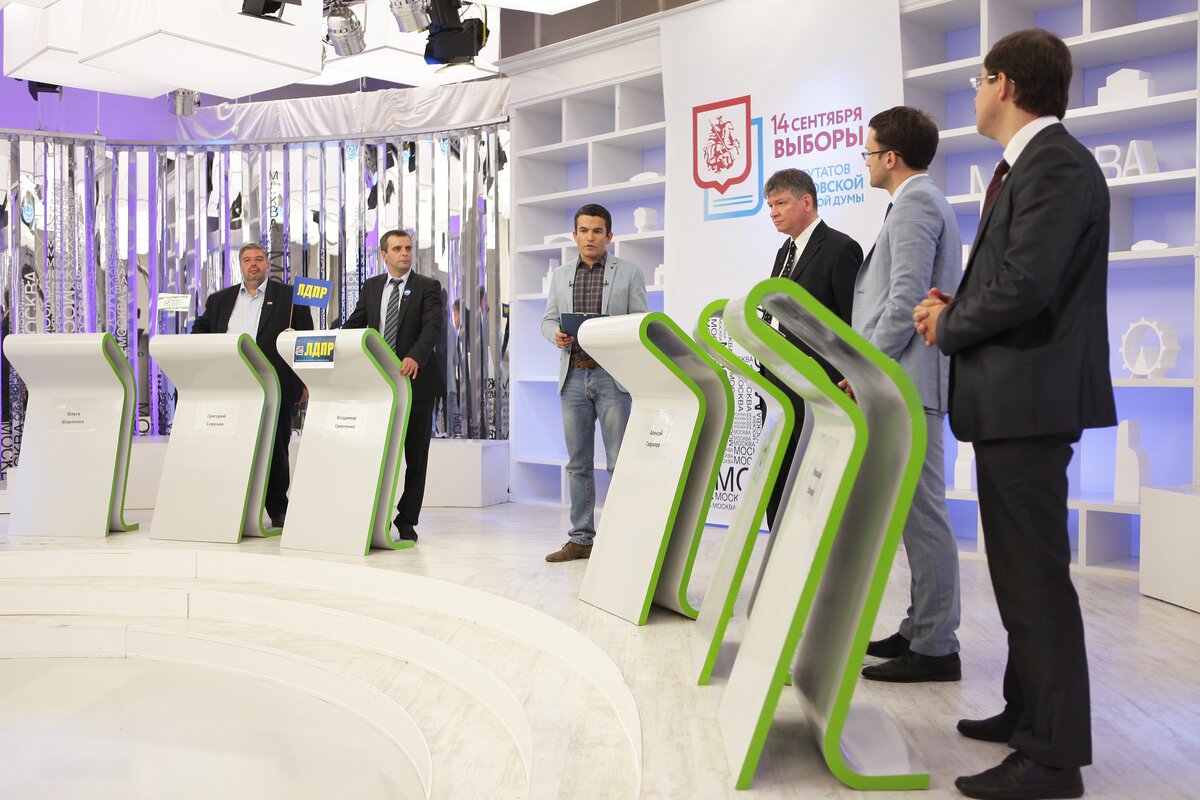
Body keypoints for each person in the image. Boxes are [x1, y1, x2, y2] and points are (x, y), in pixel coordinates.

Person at [913, 28, 1114, 800]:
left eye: (978, 79)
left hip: (1028, 404)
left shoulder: (1054, 163)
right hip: (1014, 402)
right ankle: (1027, 710)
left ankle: (1053, 759)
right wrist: (957, 303)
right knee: (1020, 575)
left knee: (1034, 584)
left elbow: (1028, 286)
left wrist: (948, 323)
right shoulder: (1030, 166)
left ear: (1006, 84)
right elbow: (1016, 277)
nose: (974, 93)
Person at [846, 106, 963, 684]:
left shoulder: (916, 203)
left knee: (923, 514)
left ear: (890, 157)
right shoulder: (915, 202)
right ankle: (920, 628)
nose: (865, 162)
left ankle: (937, 647)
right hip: (904, 380)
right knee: (915, 514)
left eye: (868, 153)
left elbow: (906, 300)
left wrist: (863, 365)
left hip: (909, 381)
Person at [541, 203, 648, 562]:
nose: (590, 237)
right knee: (578, 464)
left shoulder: (629, 273)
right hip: (573, 375)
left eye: (597, 231)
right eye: (584, 231)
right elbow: (548, 320)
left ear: (609, 236)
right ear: (574, 235)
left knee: (619, 462)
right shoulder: (560, 276)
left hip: (611, 377)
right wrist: (554, 334)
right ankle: (581, 539)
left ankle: (624, 538)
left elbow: (640, 322)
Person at [760, 168, 862, 532]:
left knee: (813, 483)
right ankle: (779, 546)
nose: (773, 212)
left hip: (818, 385)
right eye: (770, 206)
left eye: (781, 203)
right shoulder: (784, 252)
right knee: (778, 475)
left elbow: (853, 322)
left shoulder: (840, 248)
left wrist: (852, 378)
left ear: (806, 202)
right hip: (777, 381)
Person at [192, 242, 313, 529]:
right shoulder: (219, 300)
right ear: (240, 265)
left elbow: (305, 339)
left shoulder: (290, 297)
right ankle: (232, 503)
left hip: (276, 383)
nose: (253, 264)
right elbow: (200, 329)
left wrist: (305, 381)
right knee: (231, 445)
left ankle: (277, 508)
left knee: (276, 447)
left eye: (259, 259)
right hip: (231, 385)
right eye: (247, 260)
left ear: (267, 264)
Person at [343, 229, 445, 542]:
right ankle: (374, 513)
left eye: (408, 248)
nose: (405, 253)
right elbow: (356, 324)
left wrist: (415, 356)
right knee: (377, 452)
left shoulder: (428, 286)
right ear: (384, 254)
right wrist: (330, 338)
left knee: (415, 457)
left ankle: (407, 519)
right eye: (398, 248)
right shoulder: (372, 286)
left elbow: (432, 327)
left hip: (417, 383)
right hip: (379, 385)